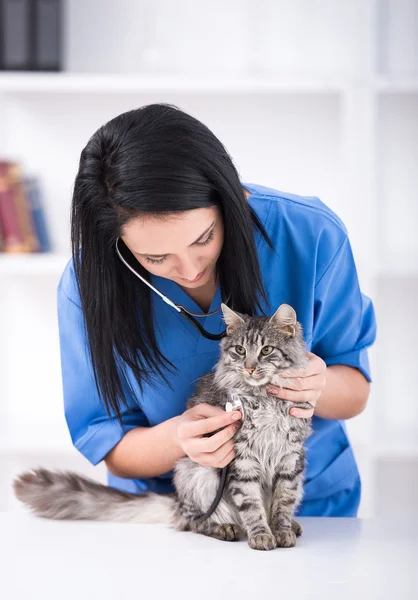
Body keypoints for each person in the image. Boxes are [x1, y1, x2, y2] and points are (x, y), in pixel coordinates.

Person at [57, 103, 377, 517]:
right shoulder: (88, 284)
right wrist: (180, 439)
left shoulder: (310, 234)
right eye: (156, 259)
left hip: (308, 508)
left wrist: (314, 385)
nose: (189, 271)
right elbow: (110, 444)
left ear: (228, 199)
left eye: (204, 237)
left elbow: (355, 391)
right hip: (183, 512)